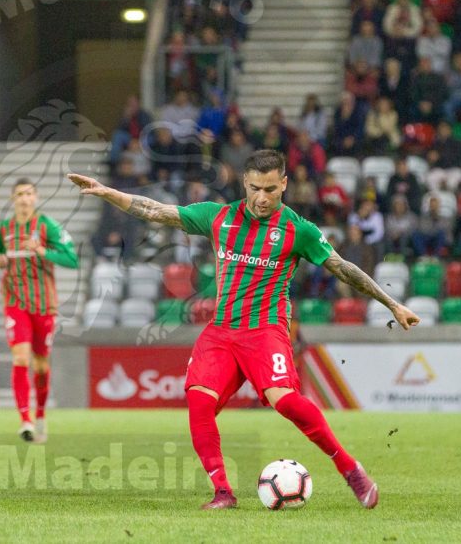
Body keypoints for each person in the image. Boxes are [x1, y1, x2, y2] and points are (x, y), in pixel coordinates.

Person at [68, 150, 420, 511]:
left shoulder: (299, 230)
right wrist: (108, 191)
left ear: (284, 184)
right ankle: (223, 492)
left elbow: (343, 268)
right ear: (245, 183)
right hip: (221, 331)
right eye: (255, 188)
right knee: (199, 401)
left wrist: (392, 304)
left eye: (270, 189)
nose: (262, 198)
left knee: (284, 401)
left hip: (265, 330)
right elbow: (157, 211)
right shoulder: (218, 217)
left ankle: (350, 470)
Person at [0, 178, 79, 443]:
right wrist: (1, 261)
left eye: (29, 193)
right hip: (15, 303)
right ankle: (25, 420)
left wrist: (42, 250)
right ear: (12, 199)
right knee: (21, 359)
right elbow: (2, 256)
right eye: (19, 194)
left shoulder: (47, 225)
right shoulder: (5, 229)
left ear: (36, 197)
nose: (24, 199)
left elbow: (72, 259)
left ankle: (40, 414)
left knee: (41, 364)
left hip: (43, 305)